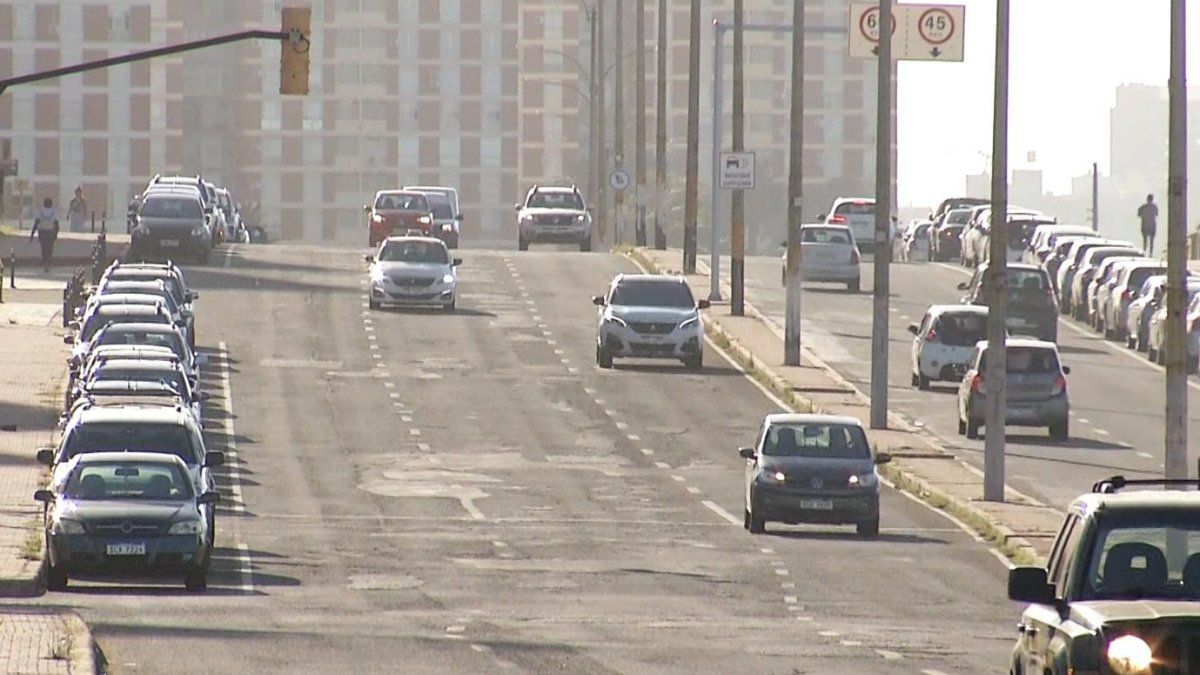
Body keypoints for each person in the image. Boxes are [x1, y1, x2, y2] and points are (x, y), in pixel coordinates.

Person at [30, 197, 59, 271]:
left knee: (44, 248)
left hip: (42, 231)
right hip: (51, 231)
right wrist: (56, 234)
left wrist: (32, 234)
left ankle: (45, 262)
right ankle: (48, 262)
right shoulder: (54, 211)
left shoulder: (39, 211)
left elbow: (36, 223)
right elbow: (56, 224)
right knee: (50, 248)